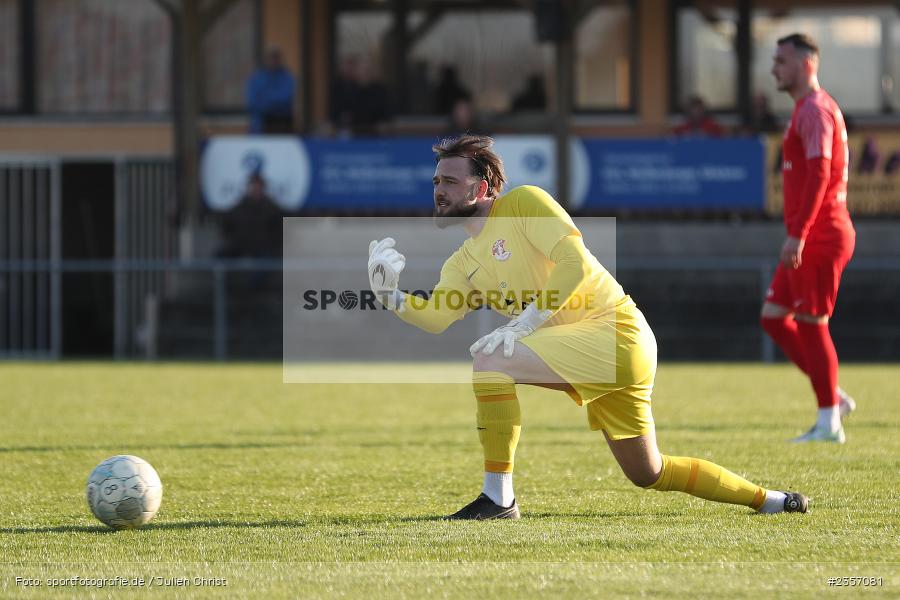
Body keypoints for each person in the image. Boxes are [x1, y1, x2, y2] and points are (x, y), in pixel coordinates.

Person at [366, 134, 808, 520]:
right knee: (648, 472)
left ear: (481, 188)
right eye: (436, 182)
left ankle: (498, 499)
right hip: (596, 352)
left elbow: (574, 262)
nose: (438, 190)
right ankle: (772, 500)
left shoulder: (524, 203)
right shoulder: (462, 262)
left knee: (490, 360)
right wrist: (391, 295)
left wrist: (527, 322)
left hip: (618, 335)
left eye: (449, 181)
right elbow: (436, 317)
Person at [761, 33, 856, 443]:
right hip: (809, 234)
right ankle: (832, 395)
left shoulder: (815, 110)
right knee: (773, 317)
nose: (774, 69)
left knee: (813, 323)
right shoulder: (807, 109)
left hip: (820, 234)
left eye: (781, 61)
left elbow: (820, 174)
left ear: (806, 64)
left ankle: (828, 422)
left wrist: (799, 234)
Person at [246, 47, 296, 134]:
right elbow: (252, 102)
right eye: (270, 57)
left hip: (283, 123)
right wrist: (273, 100)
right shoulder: (256, 78)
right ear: (265, 59)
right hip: (260, 124)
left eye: (275, 57)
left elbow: (286, 98)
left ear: (280, 59)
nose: (273, 60)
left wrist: (265, 97)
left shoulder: (287, 77)